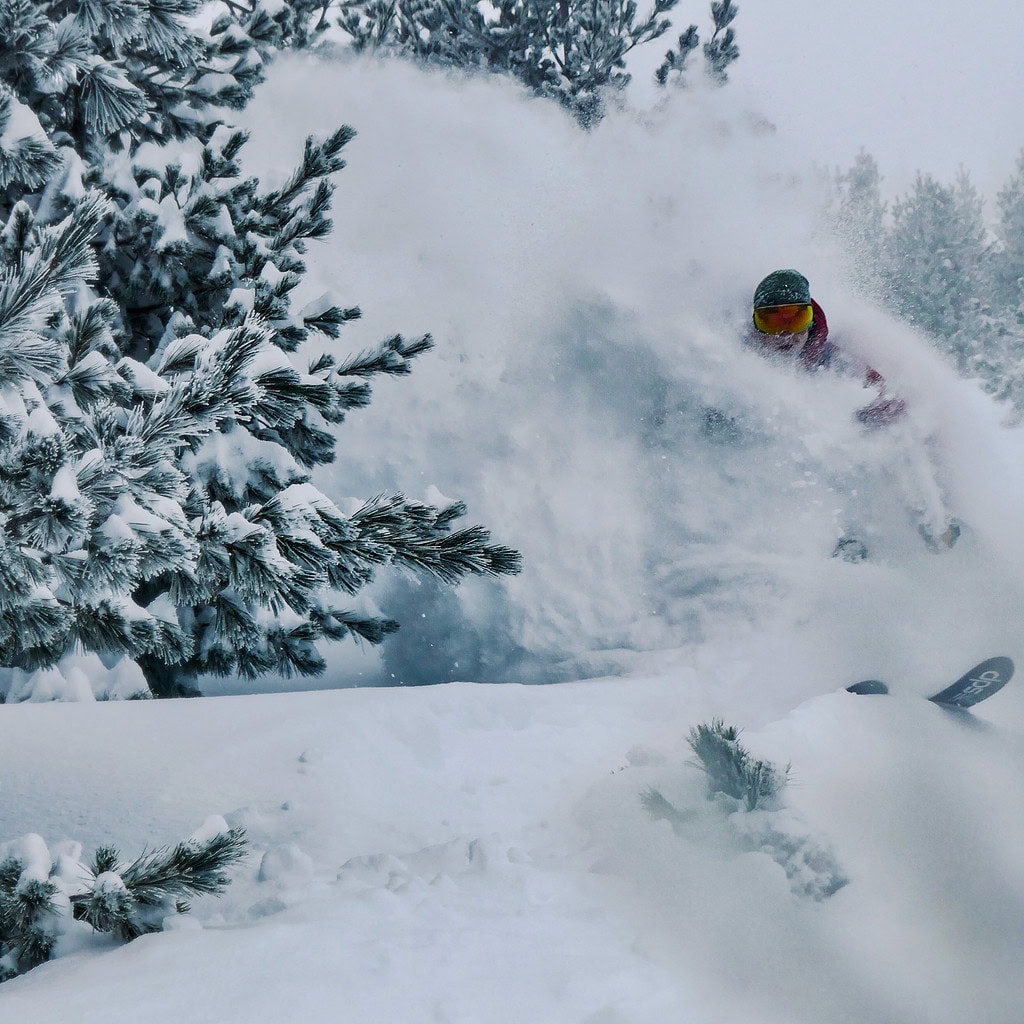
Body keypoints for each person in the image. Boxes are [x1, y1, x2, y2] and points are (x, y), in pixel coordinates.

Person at [749, 268, 906, 427]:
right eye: (772, 323)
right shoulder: (736, 351)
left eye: (797, 321)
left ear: (810, 324)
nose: (785, 334)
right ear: (756, 325)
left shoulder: (833, 362)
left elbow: (892, 403)